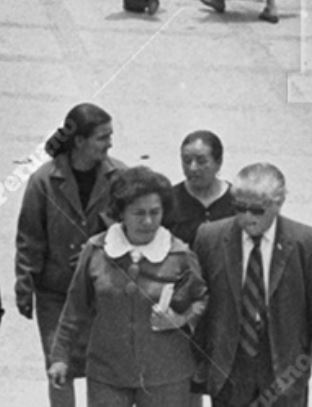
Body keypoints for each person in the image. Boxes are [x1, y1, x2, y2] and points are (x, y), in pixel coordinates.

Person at [47, 165, 207, 405]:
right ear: (121, 212)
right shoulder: (96, 250)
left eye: (155, 212)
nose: (148, 221)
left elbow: (201, 299)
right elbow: (75, 307)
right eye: (139, 213)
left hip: (166, 376)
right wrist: (60, 356)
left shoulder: (180, 255)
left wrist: (180, 319)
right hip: (107, 374)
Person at [191, 163, 312, 406]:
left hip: (283, 361)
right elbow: (199, 300)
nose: (247, 217)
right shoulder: (210, 237)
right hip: (230, 362)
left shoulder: (305, 241)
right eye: (240, 208)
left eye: (257, 210)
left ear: (278, 203)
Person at [14, 104, 122, 407]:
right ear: (79, 141)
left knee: (102, 369)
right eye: (102, 137)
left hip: (103, 293)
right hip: (55, 293)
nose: (110, 143)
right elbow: (30, 238)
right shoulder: (44, 181)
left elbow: (131, 232)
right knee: (58, 367)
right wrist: (25, 286)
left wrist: (100, 254)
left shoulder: (119, 178)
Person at [164, 130, 237, 247]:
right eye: (186, 161)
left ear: (219, 162)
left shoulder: (236, 199)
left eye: (201, 161)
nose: (192, 168)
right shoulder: (169, 199)